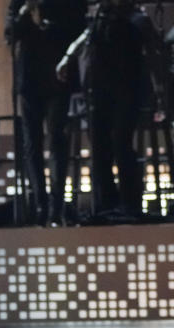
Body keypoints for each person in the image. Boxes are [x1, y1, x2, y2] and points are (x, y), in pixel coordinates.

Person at [56, 0, 167, 219]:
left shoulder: (137, 19)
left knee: (121, 145)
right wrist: (68, 57)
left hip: (126, 91)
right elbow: (85, 38)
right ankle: (106, 204)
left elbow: (155, 53)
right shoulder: (101, 17)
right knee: (100, 148)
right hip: (98, 92)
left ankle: (129, 203)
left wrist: (160, 89)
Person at [6, 0, 88, 227]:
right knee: (32, 144)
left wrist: (47, 22)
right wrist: (25, 12)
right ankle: (40, 203)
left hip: (56, 79)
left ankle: (57, 206)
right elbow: (10, 34)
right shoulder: (18, 4)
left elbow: (77, 29)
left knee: (57, 140)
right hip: (29, 80)